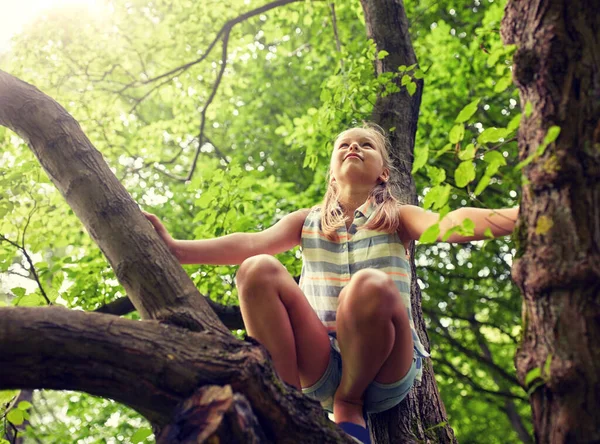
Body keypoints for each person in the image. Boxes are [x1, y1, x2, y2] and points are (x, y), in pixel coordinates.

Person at [144, 124, 518, 443]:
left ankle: (349, 402)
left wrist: (519, 214)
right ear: (332, 173)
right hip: (317, 360)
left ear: (383, 173)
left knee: (367, 284)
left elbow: (450, 223)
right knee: (256, 268)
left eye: (365, 145)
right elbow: (249, 243)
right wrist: (177, 250)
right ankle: (283, 401)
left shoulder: (398, 217)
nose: (354, 147)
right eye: (345, 145)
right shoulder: (308, 221)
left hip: (385, 364)